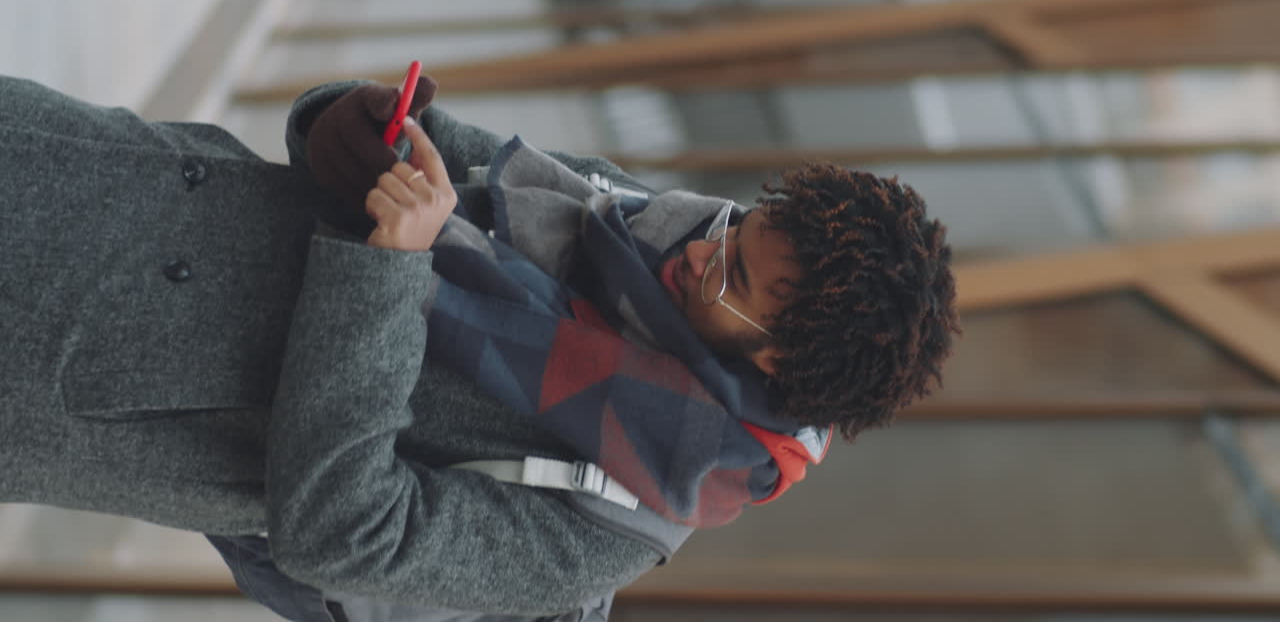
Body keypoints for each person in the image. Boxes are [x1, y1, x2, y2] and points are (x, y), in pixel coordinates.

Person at [0, 73, 958, 621]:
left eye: (732, 279)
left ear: (780, 367)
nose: (700, 249)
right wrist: (356, 119)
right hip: (94, 168)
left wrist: (382, 274)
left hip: (66, 373)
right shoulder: (659, 232)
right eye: (741, 225)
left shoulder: (608, 526)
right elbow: (440, 153)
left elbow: (347, 531)